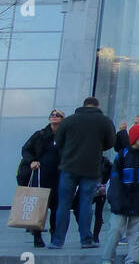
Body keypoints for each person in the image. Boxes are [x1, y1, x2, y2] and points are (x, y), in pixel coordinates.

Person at [50, 97, 117, 249]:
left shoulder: (69, 121)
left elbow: (59, 142)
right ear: (97, 106)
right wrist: (96, 148)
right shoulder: (105, 121)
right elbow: (111, 143)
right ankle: (86, 240)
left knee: (64, 204)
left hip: (69, 166)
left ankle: (57, 240)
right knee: (85, 204)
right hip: (91, 168)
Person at [101, 124, 139, 264]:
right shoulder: (122, 155)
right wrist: (115, 200)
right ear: (134, 138)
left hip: (138, 201)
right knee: (115, 231)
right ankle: (106, 261)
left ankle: (132, 263)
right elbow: (115, 180)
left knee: (135, 234)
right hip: (122, 201)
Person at [18, 109, 65, 248]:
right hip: (41, 175)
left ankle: (54, 236)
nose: (54, 117)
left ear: (63, 119)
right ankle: (37, 235)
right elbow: (26, 149)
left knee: (56, 207)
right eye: (52, 115)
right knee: (40, 206)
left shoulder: (65, 136)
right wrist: (32, 160)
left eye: (58, 115)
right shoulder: (40, 134)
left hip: (59, 175)